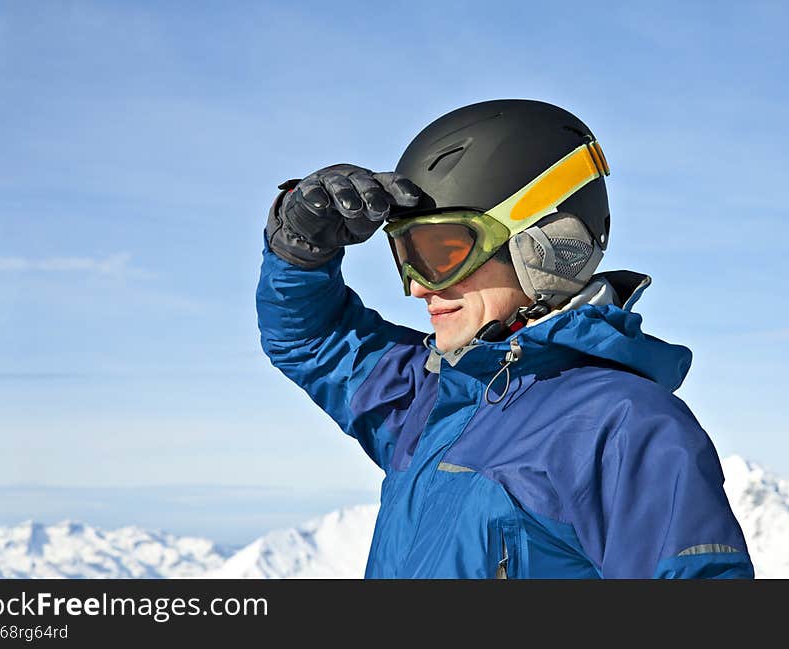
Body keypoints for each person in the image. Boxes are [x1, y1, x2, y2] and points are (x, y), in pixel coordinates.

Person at [256, 99, 754, 579]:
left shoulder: (625, 426)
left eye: (441, 252)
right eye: (403, 253)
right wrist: (301, 249)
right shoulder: (432, 399)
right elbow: (311, 341)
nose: (417, 285)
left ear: (549, 247)